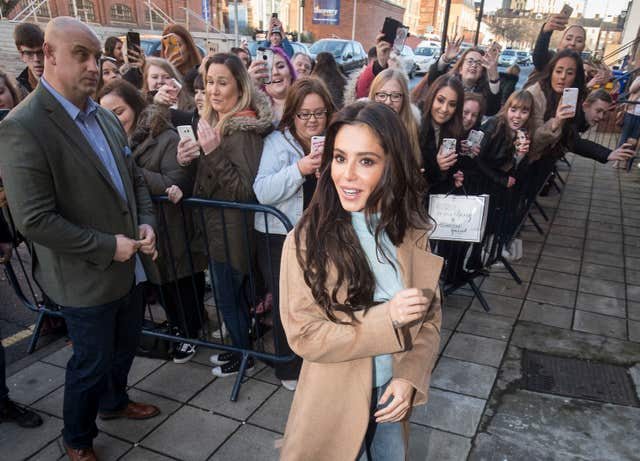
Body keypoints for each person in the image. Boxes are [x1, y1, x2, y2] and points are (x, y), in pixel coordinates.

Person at [0, 17, 161, 460]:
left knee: (125, 345)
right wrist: (110, 246)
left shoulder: (104, 117)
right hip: (83, 278)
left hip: (130, 266)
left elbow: (134, 181)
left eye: (97, 57)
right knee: (89, 364)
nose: (94, 66)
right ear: (48, 56)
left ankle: (115, 403)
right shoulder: (23, 126)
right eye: (81, 55)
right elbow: (34, 219)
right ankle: (77, 438)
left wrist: (146, 223)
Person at [278, 101, 443, 460]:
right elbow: (304, 334)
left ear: (391, 166)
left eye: (366, 161)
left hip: (390, 395)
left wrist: (408, 377)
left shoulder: (412, 230)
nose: (347, 174)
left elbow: (429, 320)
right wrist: (387, 318)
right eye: (339, 158)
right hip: (334, 396)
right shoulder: (306, 240)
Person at [176, 52, 273, 377]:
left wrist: (214, 152)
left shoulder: (241, 130)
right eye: (209, 82)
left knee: (228, 297)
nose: (214, 90)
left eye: (222, 82)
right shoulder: (215, 123)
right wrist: (188, 158)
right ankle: (240, 349)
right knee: (228, 296)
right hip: (216, 230)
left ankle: (242, 355)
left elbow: (245, 191)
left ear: (239, 86)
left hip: (232, 235)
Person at [253, 77, 336, 390]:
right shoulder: (277, 142)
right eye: (304, 114)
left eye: (319, 113)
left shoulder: (334, 140)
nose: (312, 121)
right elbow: (262, 191)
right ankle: (288, 368)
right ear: (292, 115)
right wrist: (300, 169)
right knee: (288, 303)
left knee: (315, 301)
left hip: (319, 237)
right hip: (279, 237)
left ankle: (313, 359)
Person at [524, 49, 586, 161]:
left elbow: (573, 137)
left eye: (570, 73)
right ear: (551, 71)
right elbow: (532, 142)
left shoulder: (570, 97)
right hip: (526, 162)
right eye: (558, 71)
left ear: (576, 77)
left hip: (549, 160)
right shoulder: (535, 94)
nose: (563, 77)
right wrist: (556, 122)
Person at [476, 90, 533, 190]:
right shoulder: (494, 125)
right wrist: (499, 178)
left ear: (529, 114)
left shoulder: (524, 133)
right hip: (479, 181)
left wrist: (520, 156)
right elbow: (476, 159)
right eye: (513, 110)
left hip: (497, 185)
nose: (517, 116)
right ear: (507, 109)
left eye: (524, 112)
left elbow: (518, 173)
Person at [427, 39, 501, 115]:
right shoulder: (449, 84)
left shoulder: (484, 92)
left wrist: (493, 75)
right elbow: (433, 83)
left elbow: (492, 109)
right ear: (460, 69)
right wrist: (445, 59)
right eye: (470, 61)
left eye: (479, 63)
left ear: (482, 72)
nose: (474, 65)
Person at [419, 74, 465, 191]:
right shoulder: (415, 124)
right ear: (431, 98)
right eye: (440, 100)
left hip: (439, 203)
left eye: (452, 104)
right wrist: (436, 166)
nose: (444, 109)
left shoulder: (455, 130)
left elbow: (446, 175)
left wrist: (454, 176)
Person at [369, 68, 421, 164]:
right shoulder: (362, 127)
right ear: (373, 96)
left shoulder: (413, 128)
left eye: (395, 96)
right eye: (382, 95)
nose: (388, 101)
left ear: (404, 99)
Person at [251, 47, 297, 125]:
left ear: (291, 73)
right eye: (269, 69)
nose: (275, 72)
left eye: (280, 66)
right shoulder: (254, 109)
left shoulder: (306, 101)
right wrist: (249, 84)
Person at [13, 22, 45, 98]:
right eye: (29, 53)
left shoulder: (62, 80)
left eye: (40, 52)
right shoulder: (17, 91)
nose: (36, 59)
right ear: (21, 55)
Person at [618, 74, 640, 147]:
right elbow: (631, 89)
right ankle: (618, 156)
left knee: (634, 139)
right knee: (625, 137)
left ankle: (628, 157)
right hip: (631, 112)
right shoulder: (638, 78)